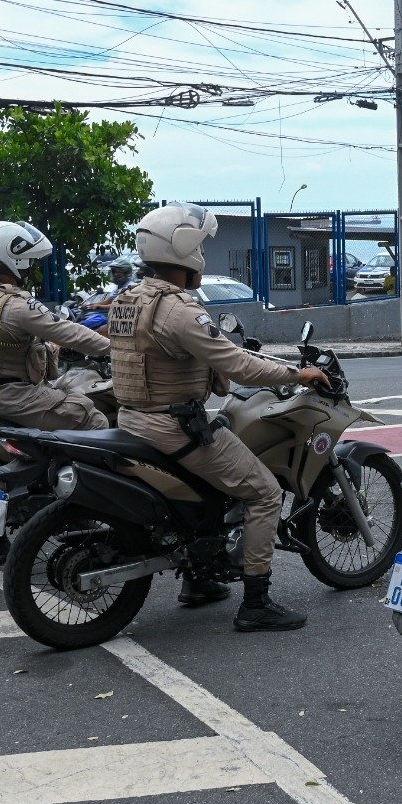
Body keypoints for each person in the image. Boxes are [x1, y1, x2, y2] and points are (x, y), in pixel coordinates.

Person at [109, 203, 332, 627]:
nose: (204, 258)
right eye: (201, 248)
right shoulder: (179, 310)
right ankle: (256, 604)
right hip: (173, 426)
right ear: (185, 252)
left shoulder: (129, 300)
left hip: (133, 419)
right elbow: (238, 366)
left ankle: (198, 580)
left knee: (208, 492)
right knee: (265, 492)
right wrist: (298, 372)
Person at [0, 220, 111, 430]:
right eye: (28, 260)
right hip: (14, 399)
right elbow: (70, 332)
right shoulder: (18, 305)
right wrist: (116, 348)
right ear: (14, 260)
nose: (31, 265)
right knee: (93, 418)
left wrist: (51, 349)